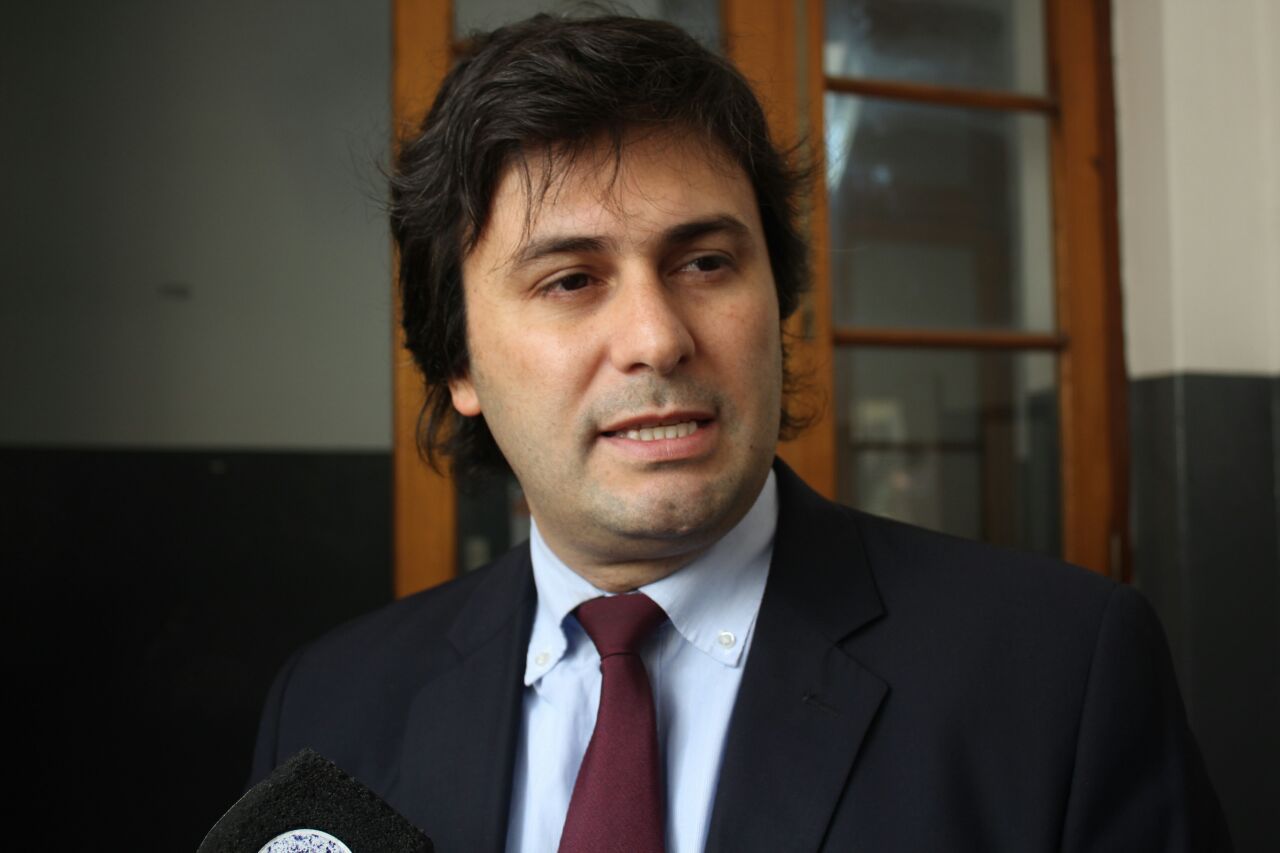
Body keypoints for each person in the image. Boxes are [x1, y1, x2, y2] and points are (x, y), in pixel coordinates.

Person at [250, 13, 1230, 852]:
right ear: (458, 360)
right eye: (571, 279)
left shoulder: (1059, 675)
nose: (656, 337)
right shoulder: (333, 706)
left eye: (706, 262)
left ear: (778, 298)